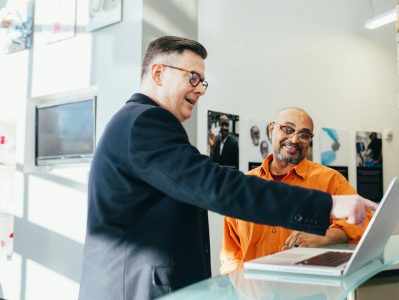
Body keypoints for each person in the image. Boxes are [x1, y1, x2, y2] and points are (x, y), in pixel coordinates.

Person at [79, 36, 377, 300]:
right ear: (158, 73)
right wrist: (329, 205)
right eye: (193, 78)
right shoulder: (145, 122)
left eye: (202, 81)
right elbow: (215, 186)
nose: (200, 90)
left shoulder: (137, 123)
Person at [220, 108, 373, 274]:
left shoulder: (331, 180)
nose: (294, 139)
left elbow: (364, 220)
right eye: (288, 129)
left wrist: (324, 236)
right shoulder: (245, 185)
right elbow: (231, 253)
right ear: (272, 129)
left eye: (304, 134)